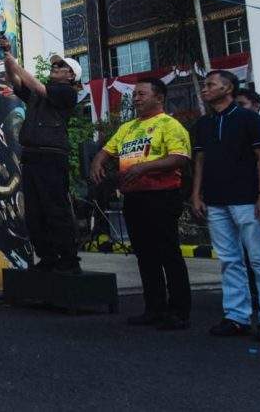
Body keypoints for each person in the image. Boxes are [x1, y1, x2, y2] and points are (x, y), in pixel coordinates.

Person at [90, 77, 192, 330]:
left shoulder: (169, 124)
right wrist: (97, 161)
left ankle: (179, 311)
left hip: (162, 195)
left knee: (168, 253)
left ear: (159, 97)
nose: (135, 98)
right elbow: (107, 149)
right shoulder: (127, 128)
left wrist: (145, 167)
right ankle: (154, 308)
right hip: (134, 197)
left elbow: (180, 158)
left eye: (141, 94)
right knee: (145, 255)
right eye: (134, 94)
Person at [190, 70, 260, 341]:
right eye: (205, 85)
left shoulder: (249, 119)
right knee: (229, 260)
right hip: (215, 200)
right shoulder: (203, 124)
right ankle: (237, 316)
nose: (205, 88)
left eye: (210, 84)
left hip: (247, 199)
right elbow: (199, 161)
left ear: (228, 88)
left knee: (259, 258)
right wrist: (197, 194)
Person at [0, 35, 81, 274]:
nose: (56, 67)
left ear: (71, 76)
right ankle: (47, 257)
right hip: (32, 156)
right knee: (34, 212)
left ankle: (68, 260)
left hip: (52, 156)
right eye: (55, 64)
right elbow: (14, 80)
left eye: (61, 66)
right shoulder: (39, 95)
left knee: (55, 209)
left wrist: (15, 62)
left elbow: (35, 85)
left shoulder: (66, 92)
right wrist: (7, 55)